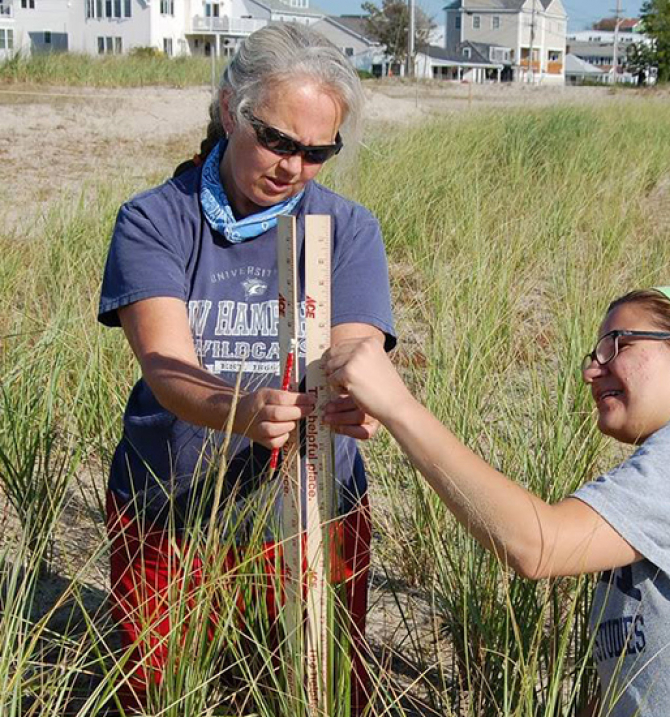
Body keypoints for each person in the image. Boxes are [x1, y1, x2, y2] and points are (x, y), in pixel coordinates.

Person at [323, 286, 670, 716]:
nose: (593, 368)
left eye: (618, 345)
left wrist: (398, 405)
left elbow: (538, 547)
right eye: (594, 353)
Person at [96, 23, 395, 712]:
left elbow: (356, 347)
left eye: (319, 152)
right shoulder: (155, 219)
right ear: (231, 109)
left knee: (314, 686)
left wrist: (358, 393)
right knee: (159, 687)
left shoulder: (347, 228)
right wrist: (243, 410)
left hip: (313, 506)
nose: (294, 166)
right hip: (168, 502)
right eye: (279, 141)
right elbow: (169, 369)